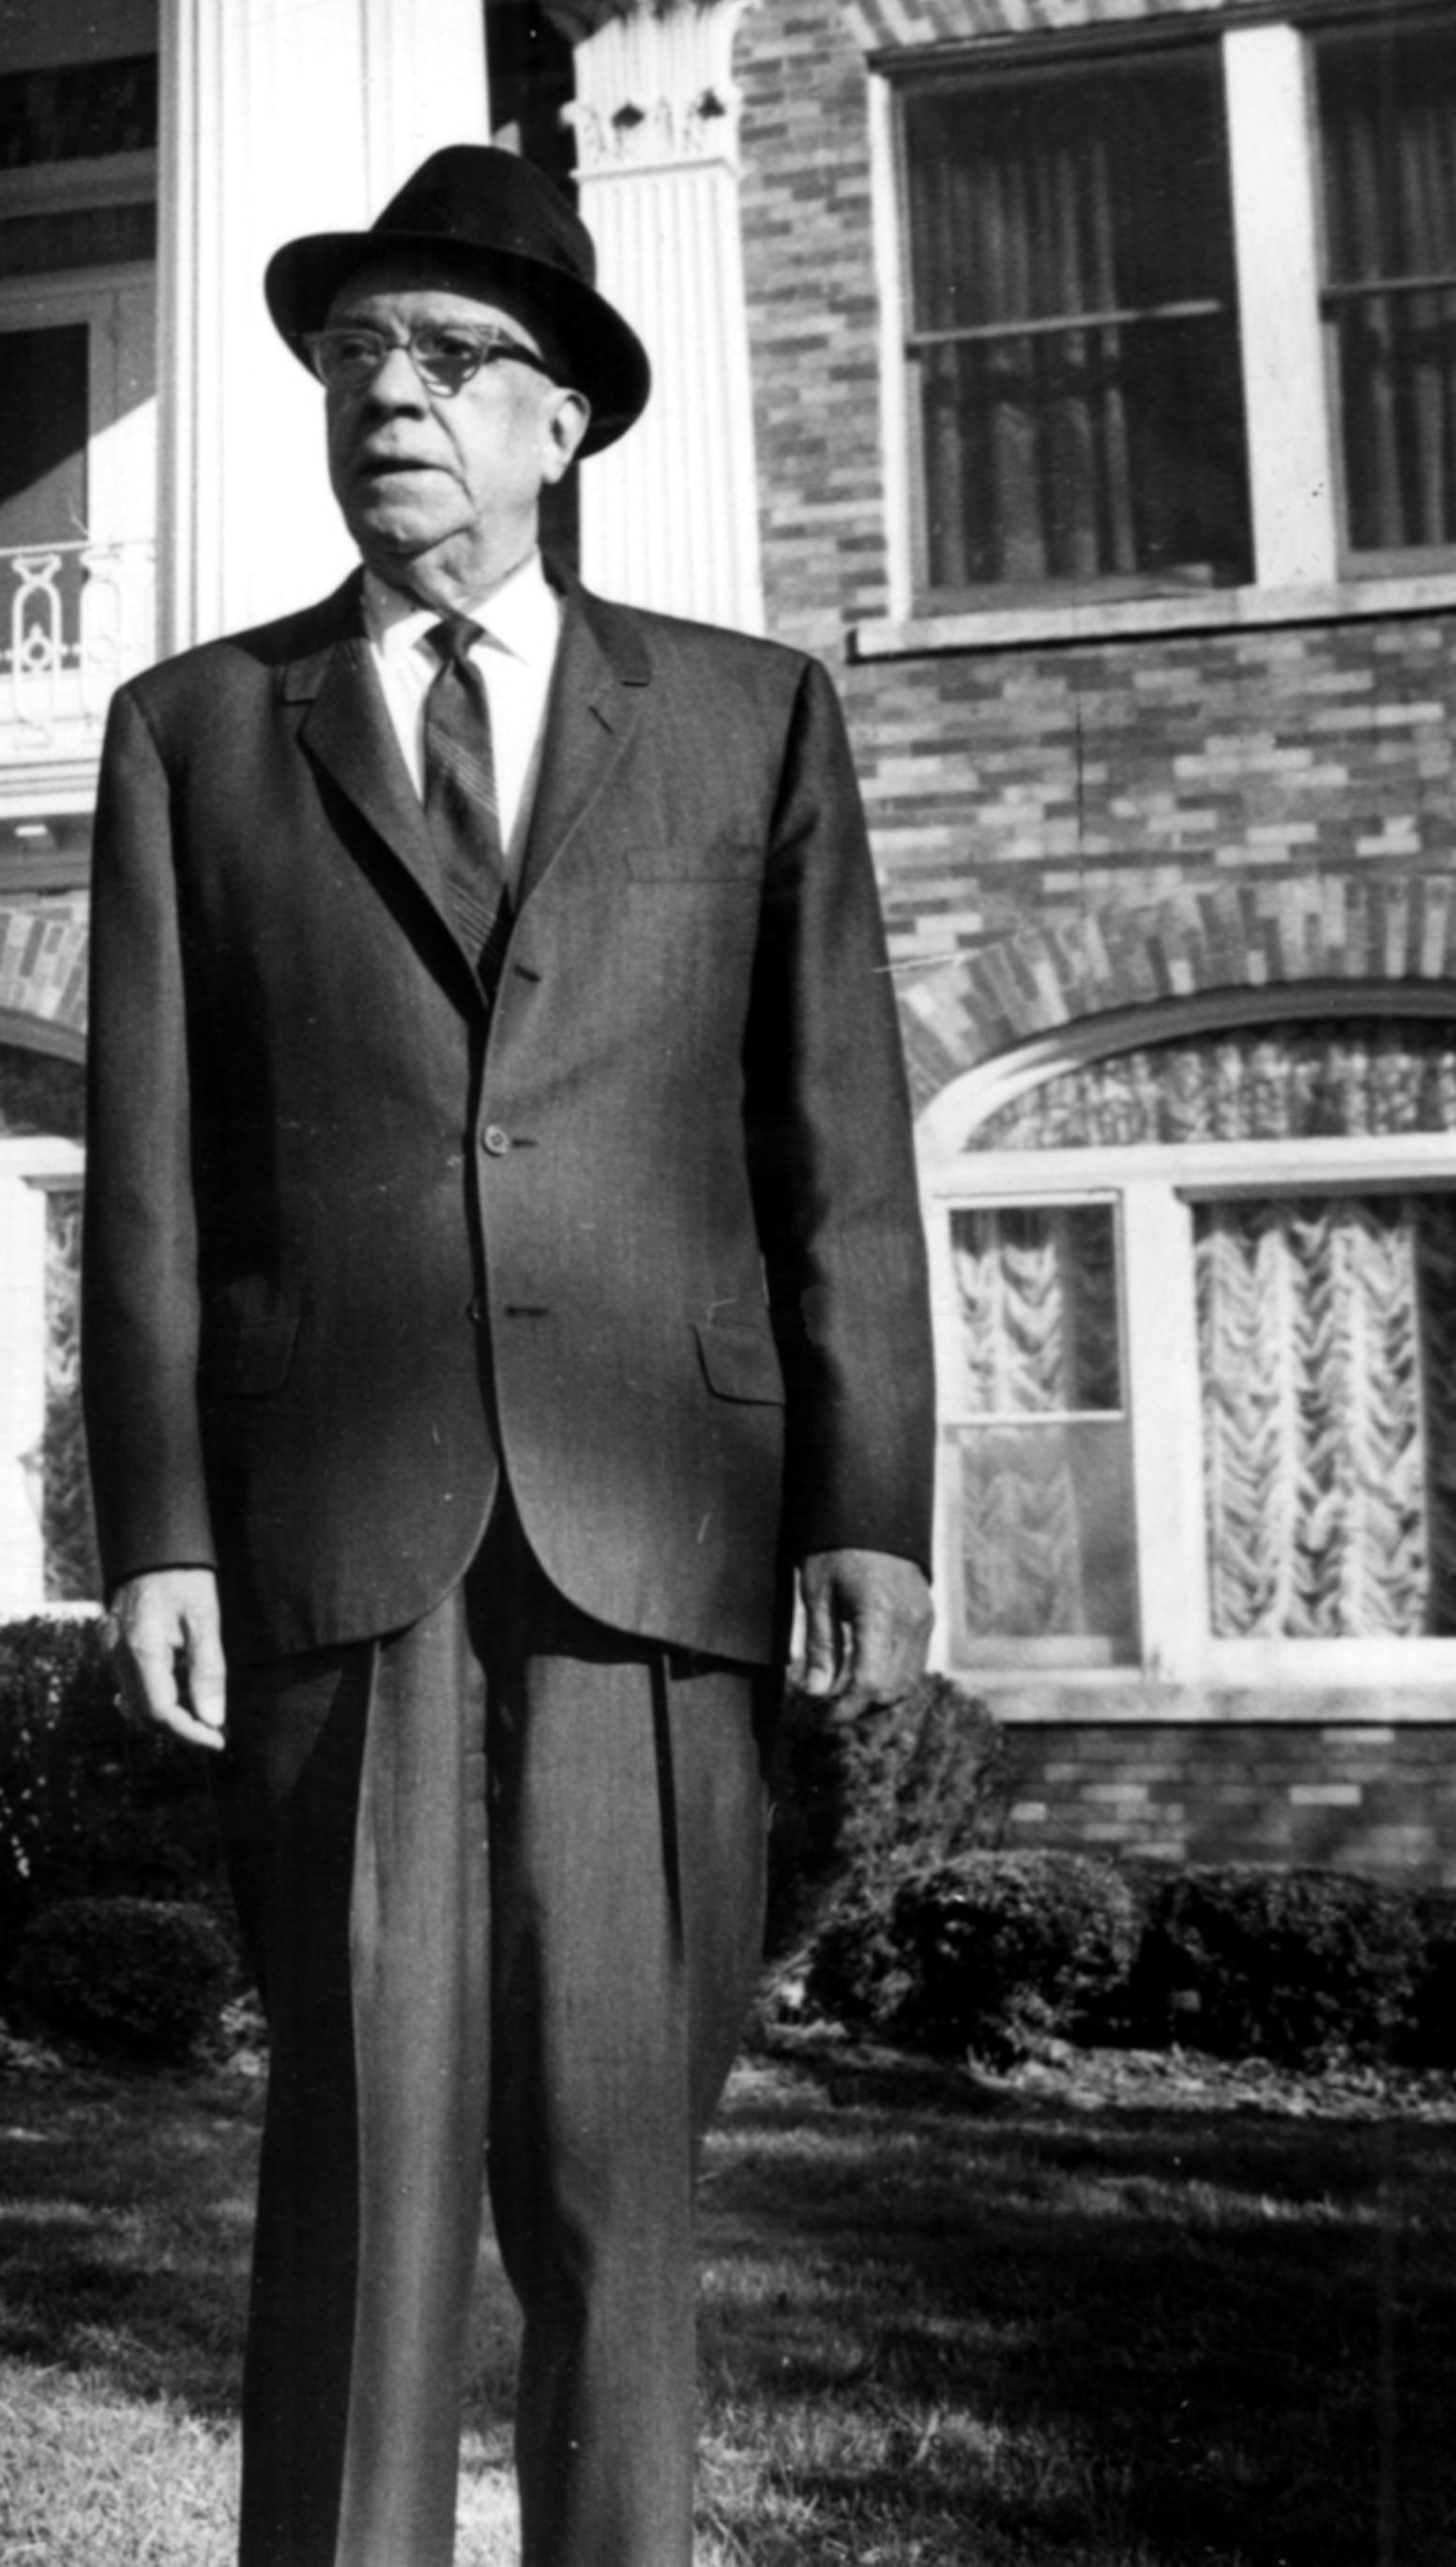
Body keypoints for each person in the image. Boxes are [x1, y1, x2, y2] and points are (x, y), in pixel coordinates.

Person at [83, 142, 936, 2567]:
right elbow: (148, 1180)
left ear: (563, 425)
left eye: (450, 364)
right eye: (355, 359)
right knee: (356, 2192)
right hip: (339, 1557)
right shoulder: (194, 738)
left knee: (612, 2192)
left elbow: (838, 1140)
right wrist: (149, 1526)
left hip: (655, 1547)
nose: (390, 399)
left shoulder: (751, 725)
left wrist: (871, 1499)